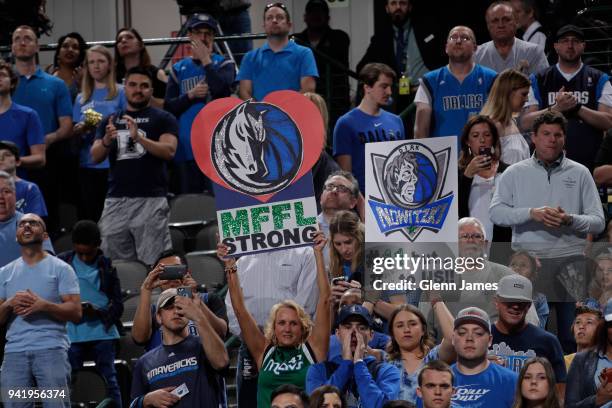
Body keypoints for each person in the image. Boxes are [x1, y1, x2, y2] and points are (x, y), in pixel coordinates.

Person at [490, 111, 606, 353]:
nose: (552, 140)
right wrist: (531, 213)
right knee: (528, 334)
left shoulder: (580, 172)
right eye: (546, 134)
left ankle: (570, 388)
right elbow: (496, 213)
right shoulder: (514, 172)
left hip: (571, 264)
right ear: (533, 137)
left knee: (571, 336)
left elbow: (598, 222)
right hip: (529, 264)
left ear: (564, 138)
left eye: (558, 135)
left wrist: (569, 219)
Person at [219, 232, 330, 407]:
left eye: (293, 323)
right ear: (273, 328)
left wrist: (318, 253)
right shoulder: (263, 351)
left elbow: (324, 300)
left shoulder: (314, 349)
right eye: (282, 323)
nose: (287, 328)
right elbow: (240, 310)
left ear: (302, 326)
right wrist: (231, 265)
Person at [91, 67, 178, 266]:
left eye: (144, 86)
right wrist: (105, 139)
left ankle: (154, 298)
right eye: (133, 85)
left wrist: (138, 138)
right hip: (115, 200)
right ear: (125, 87)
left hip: (151, 199)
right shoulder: (110, 120)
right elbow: (94, 156)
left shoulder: (163, 118)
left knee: (155, 265)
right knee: (115, 264)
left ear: (151, 90)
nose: (138, 90)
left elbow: (169, 150)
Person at [0, 212, 81, 408]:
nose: (26, 226)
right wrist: (10, 303)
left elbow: (76, 313)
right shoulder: (4, 273)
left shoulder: (62, 269)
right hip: (14, 354)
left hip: (51, 350)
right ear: (16, 235)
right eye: (22, 224)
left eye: (34, 223)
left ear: (45, 236)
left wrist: (44, 305)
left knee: (56, 405)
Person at [524, 25, 612, 172]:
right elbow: (526, 122)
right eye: (564, 41)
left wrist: (577, 107)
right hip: (545, 164)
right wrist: (557, 108)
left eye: (575, 41)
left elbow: (608, 122)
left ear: (583, 46)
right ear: (556, 46)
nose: (570, 45)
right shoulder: (538, 79)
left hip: (589, 161)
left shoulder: (600, 78)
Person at [164, 13, 235, 195]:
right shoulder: (177, 69)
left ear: (213, 37)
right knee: (189, 206)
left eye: (207, 33)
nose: (203, 37)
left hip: (218, 149)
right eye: (198, 32)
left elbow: (222, 91)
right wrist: (190, 95)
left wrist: (206, 62)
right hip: (186, 149)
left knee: (219, 206)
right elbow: (168, 108)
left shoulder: (224, 64)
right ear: (190, 36)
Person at [12, 25, 73, 235]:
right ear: (11, 47)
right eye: (17, 39)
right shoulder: (3, 83)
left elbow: (66, 125)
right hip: (8, 164)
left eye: (28, 38)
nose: (22, 42)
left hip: (46, 163)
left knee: (46, 221)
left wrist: (46, 139)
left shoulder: (56, 84)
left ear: (37, 46)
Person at [57, 220, 123, 407]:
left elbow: (118, 305)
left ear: (98, 245)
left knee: (109, 380)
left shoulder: (107, 266)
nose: (85, 258)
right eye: (81, 253)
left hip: (102, 331)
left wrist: (100, 313)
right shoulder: (62, 263)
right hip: (72, 334)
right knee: (69, 381)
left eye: (89, 253)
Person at [129, 287, 229, 408]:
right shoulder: (144, 362)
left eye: (181, 307)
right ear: (159, 317)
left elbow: (222, 362)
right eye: (169, 307)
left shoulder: (205, 346)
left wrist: (198, 316)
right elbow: (133, 404)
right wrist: (146, 400)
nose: (176, 312)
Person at [356, 0, 447, 115]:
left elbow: (444, 59)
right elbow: (361, 68)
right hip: (397, 96)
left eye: (402, 3)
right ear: (387, 8)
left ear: (409, 7)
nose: (398, 7)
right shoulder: (381, 37)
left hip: (427, 92)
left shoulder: (427, 29)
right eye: (393, 3)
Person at [306, 304, 401, 408]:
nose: (354, 333)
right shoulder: (318, 371)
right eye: (348, 327)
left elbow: (380, 406)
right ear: (337, 333)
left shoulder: (388, 371)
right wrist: (346, 364)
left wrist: (359, 364)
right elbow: (317, 405)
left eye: (361, 328)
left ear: (371, 335)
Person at [131, 251, 228, 351]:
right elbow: (139, 339)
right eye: (165, 271)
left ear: (187, 272)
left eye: (176, 269)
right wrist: (146, 289)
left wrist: (195, 300)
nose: (172, 277)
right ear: (157, 276)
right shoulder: (153, 311)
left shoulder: (209, 300)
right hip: (165, 364)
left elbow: (221, 333)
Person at [72, 45, 126, 222]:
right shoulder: (81, 97)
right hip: (88, 165)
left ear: (110, 65)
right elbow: (75, 134)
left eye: (101, 61)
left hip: (115, 165)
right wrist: (81, 129)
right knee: (93, 218)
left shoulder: (121, 92)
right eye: (92, 62)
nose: (96, 66)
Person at [414, 26, 497, 140]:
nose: (458, 41)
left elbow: (500, 123)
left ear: (475, 48)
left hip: (482, 154)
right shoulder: (429, 81)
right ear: (446, 48)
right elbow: (421, 131)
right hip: (444, 154)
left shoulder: (492, 78)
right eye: (453, 37)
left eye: (465, 38)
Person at [333, 63, 405, 193]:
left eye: (390, 87)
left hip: (394, 197)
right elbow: (346, 175)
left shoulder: (396, 121)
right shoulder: (346, 123)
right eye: (384, 86)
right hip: (363, 199)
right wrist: (360, 204)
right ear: (367, 87)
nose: (389, 92)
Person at [490, 275, 567, 391]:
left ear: (529, 306)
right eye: (509, 300)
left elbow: (560, 392)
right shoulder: (481, 337)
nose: (515, 306)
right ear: (496, 302)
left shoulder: (547, 341)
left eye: (521, 302)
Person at [238, 2, 318, 101]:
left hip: (293, 114)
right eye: (269, 18)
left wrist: (282, 111)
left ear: (289, 25)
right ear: (264, 25)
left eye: (279, 17)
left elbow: (308, 89)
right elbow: (244, 92)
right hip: (260, 115)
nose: (274, 20)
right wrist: (260, 111)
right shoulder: (249, 57)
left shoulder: (304, 53)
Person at [294, 0, 350, 136]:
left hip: (334, 101)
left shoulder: (340, 37)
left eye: (320, 12)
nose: (316, 16)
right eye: (312, 12)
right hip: (304, 100)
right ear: (305, 17)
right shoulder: (296, 40)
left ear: (328, 17)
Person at [386, 303, 455, 405]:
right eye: (400, 326)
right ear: (392, 332)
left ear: (423, 330)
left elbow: (453, 338)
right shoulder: (385, 363)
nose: (406, 330)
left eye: (413, 324)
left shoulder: (433, 358)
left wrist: (436, 301)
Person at [457, 115, 510, 244]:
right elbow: (454, 211)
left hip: (501, 245)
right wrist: (467, 176)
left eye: (487, 135)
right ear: (468, 142)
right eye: (475, 136)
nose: (482, 140)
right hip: (469, 245)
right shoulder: (458, 175)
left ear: (493, 139)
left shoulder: (508, 172)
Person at [450, 307, 518, 407]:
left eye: (478, 333)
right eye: (462, 333)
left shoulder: (512, 381)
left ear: (490, 340)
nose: (469, 338)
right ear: (453, 339)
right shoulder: (437, 380)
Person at [474, 1, 548, 75]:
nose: (501, 25)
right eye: (495, 21)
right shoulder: (476, 55)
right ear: (488, 26)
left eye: (506, 20)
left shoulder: (534, 52)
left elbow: (545, 84)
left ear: (516, 22)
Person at [0, 171, 53, 267]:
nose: (0, 197)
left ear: (15, 195)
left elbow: (49, 265)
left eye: (6, 191)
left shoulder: (30, 224)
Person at [565, 298, 612, 408]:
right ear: (604, 326)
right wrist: (597, 400)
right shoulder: (581, 360)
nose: (582, 326)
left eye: (589, 322)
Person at [0, 61, 45, 171]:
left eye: (2, 75)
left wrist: (12, 161)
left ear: (12, 83)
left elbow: (40, 158)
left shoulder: (28, 115)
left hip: (16, 184)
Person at [479, 69, 531, 165]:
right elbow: (484, 167)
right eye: (524, 94)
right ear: (508, 93)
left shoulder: (512, 121)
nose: (527, 99)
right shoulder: (492, 125)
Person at [114, 27, 167, 109]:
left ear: (141, 44)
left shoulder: (157, 73)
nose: (123, 41)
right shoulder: (112, 75)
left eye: (129, 37)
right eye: (119, 40)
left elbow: (166, 106)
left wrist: (144, 94)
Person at [0, 140, 47, 217]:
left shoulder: (30, 188)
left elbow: (35, 222)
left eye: (7, 155)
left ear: (18, 162)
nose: (1, 158)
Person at [509, 250, 549, 329]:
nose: (517, 268)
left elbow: (538, 329)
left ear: (533, 274)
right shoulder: (497, 294)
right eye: (513, 264)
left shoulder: (540, 299)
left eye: (523, 265)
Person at [46, 32, 87, 102]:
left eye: (75, 47)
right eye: (65, 46)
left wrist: (81, 85)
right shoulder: (48, 72)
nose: (70, 50)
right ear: (58, 53)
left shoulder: (85, 76)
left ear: (80, 55)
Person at [328, 210, 364, 285]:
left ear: (359, 238)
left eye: (348, 242)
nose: (344, 250)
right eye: (338, 244)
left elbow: (394, 296)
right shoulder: (335, 264)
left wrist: (360, 294)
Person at [564, 304, 602, 371]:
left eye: (589, 322)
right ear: (573, 329)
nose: (581, 326)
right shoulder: (562, 363)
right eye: (578, 322)